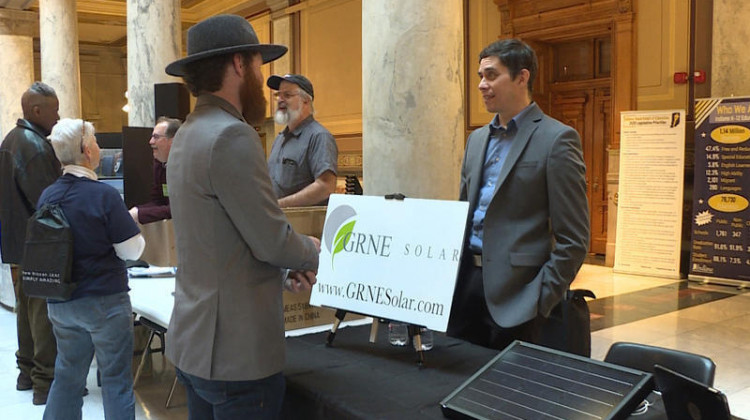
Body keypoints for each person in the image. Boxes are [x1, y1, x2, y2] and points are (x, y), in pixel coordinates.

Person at [164, 14, 320, 419]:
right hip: (237, 354)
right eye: (257, 64)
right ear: (238, 64)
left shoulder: (187, 133)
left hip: (194, 343)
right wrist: (312, 251)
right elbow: (271, 240)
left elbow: (224, 238)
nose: (259, 77)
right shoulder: (232, 135)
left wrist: (285, 271)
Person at [446, 39, 590, 351]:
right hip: (464, 286)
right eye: (480, 77)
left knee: (505, 393)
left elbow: (574, 238)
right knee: (454, 386)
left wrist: (540, 299)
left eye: (491, 75)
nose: (482, 85)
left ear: (522, 77)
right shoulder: (476, 140)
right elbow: (462, 212)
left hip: (518, 296)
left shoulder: (557, 139)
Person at [40, 118, 145, 419]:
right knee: (116, 381)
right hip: (104, 302)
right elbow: (131, 249)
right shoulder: (105, 196)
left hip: (61, 301)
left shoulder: (48, 196)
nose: (99, 147)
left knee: (68, 376)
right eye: (96, 142)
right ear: (87, 150)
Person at [0, 81, 60, 405]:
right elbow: (48, 201)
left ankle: (26, 373)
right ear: (36, 111)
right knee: (42, 313)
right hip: (39, 243)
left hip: (18, 241)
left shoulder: (11, 138)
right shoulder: (34, 146)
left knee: (26, 308)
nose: (58, 115)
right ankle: (45, 382)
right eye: (55, 109)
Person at [267, 73, 338, 207]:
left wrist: (278, 205)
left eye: (287, 95)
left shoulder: (319, 136)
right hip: (277, 222)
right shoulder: (279, 138)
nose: (280, 100)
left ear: (306, 100)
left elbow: (325, 187)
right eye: (278, 95)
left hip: (303, 226)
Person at [128, 116, 182, 224]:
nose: (151, 141)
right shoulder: (159, 164)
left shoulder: (187, 167)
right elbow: (158, 201)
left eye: (156, 137)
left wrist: (139, 214)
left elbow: (180, 208)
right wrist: (134, 212)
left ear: (172, 140)